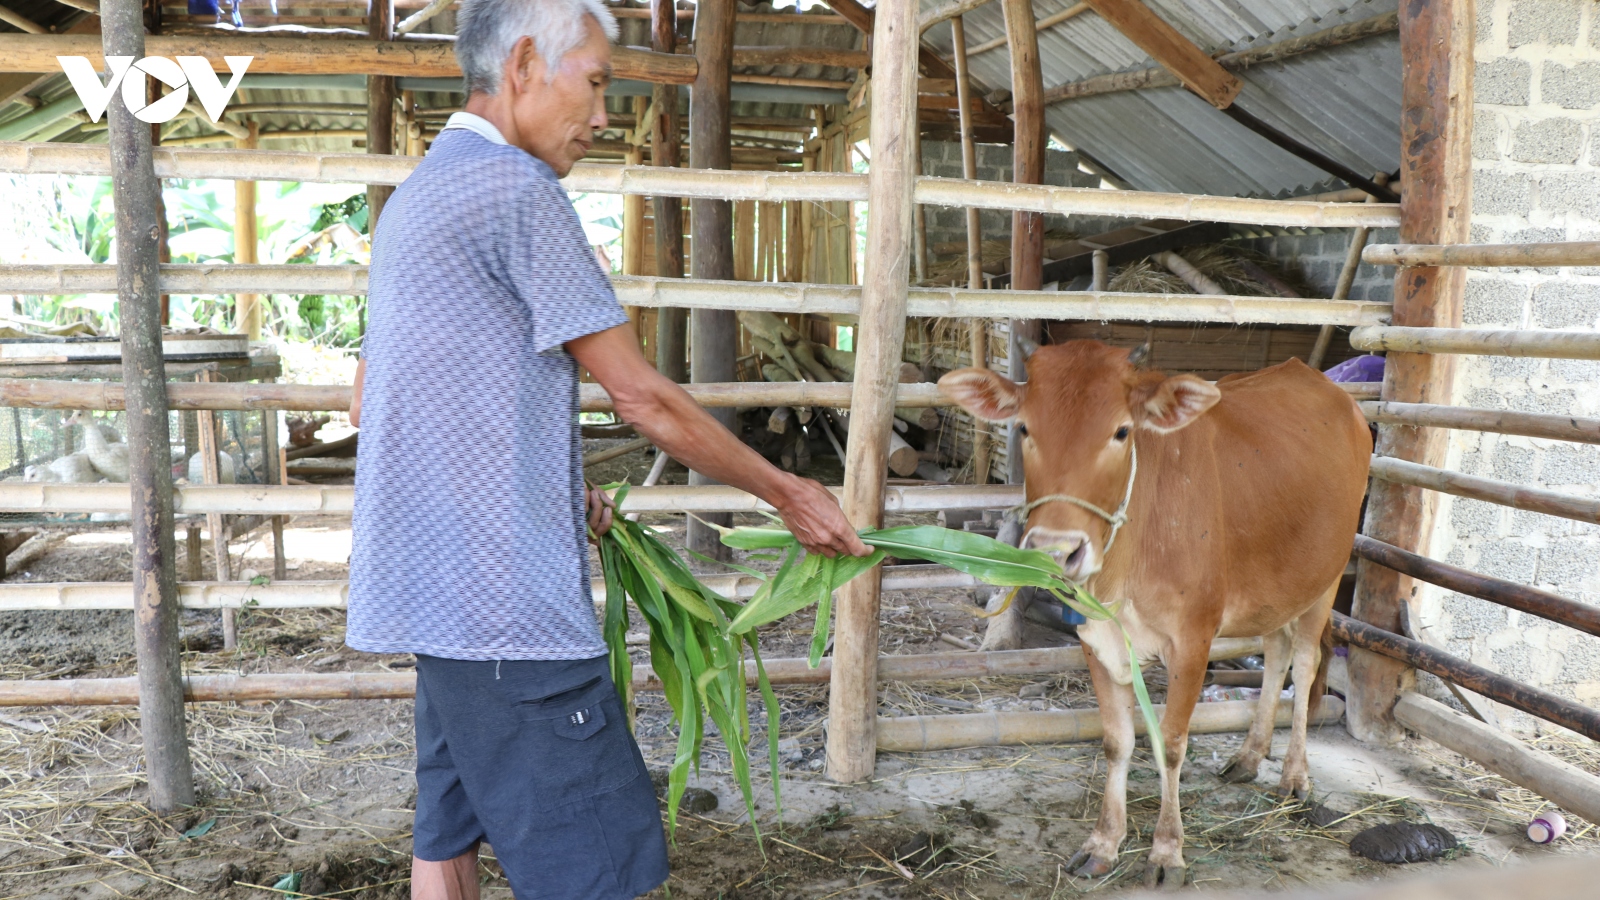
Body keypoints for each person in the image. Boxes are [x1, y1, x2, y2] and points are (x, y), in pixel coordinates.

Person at [343, 0, 870, 897]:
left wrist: (543, 487)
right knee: (600, 871)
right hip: (508, 612)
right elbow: (642, 396)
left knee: (447, 837)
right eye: (592, 86)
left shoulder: (421, 194)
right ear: (521, 67)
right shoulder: (517, 192)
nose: (600, 118)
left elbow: (376, 398)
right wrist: (788, 492)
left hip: (434, 600)